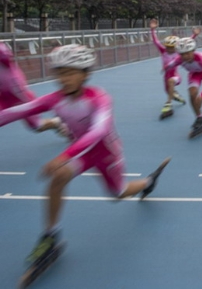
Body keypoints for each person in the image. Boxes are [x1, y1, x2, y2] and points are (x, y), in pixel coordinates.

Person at [0, 45, 171, 263]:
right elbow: (19, 111)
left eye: (70, 73)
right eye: (60, 73)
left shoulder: (99, 98)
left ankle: (147, 183)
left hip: (106, 153)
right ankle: (50, 235)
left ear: (85, 74)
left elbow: (98, 131)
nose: (64, 79)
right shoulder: (54, 99)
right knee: (59, 177)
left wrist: (65, 155)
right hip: (82, 153)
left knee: (117, 194)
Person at [165, 37, 202, 138]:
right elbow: (170, 65)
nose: (185, 56)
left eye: (187, 53)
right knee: (192, 93)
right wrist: (166, 68)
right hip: (195, 74)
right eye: (182, 54)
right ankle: (199, 117)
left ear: (193, 51)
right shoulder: (179, 59)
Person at [149, 19, 187, 119]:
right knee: (169, 90)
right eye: (168, 47)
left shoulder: (179, 53)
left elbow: (187, 44)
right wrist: (152, 30)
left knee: (171, 82)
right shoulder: (163, 51)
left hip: (175, 76)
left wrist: (194, 36)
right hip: (166, 77)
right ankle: (178, 97)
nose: (169, 49)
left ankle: (168, 104)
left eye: (172, 47)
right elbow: (155, 41)